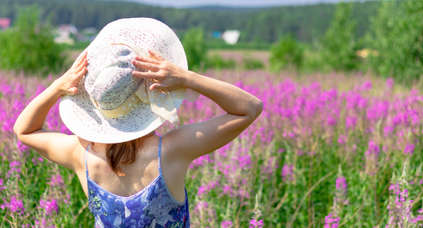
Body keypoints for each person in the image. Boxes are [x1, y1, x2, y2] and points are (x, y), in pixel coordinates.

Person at [13, 18, 263, 227]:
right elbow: (249, 109)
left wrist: (58, 86)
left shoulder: (80, 155)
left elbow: (24, 130)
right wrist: (186, 78)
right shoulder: (173, 151)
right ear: (151, 95)